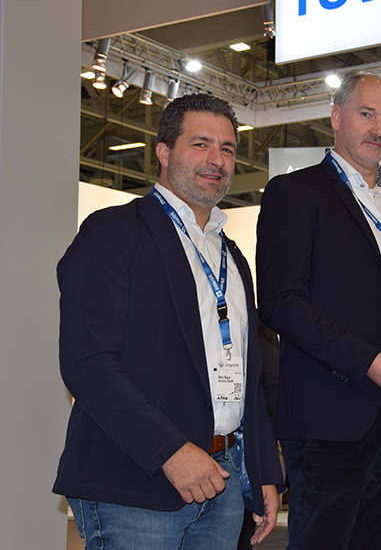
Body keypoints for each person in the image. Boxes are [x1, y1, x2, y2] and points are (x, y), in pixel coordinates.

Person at [53, 94, 284, 549]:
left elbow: (247, 376)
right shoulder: (114, 232)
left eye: (228, 149)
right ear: (163, 151)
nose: (216, 160)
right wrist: (172, 454)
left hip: (224, 477)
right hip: (137, 479)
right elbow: (88, 362)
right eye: (200, 144)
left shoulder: (233, 257)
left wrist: (261, 472)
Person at [257, 70, 381, 550]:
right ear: (336, 116)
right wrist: (369, 362)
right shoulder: (296, 192)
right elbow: (282, 303)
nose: (378, 130)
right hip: (333, 414)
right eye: (367, 114)